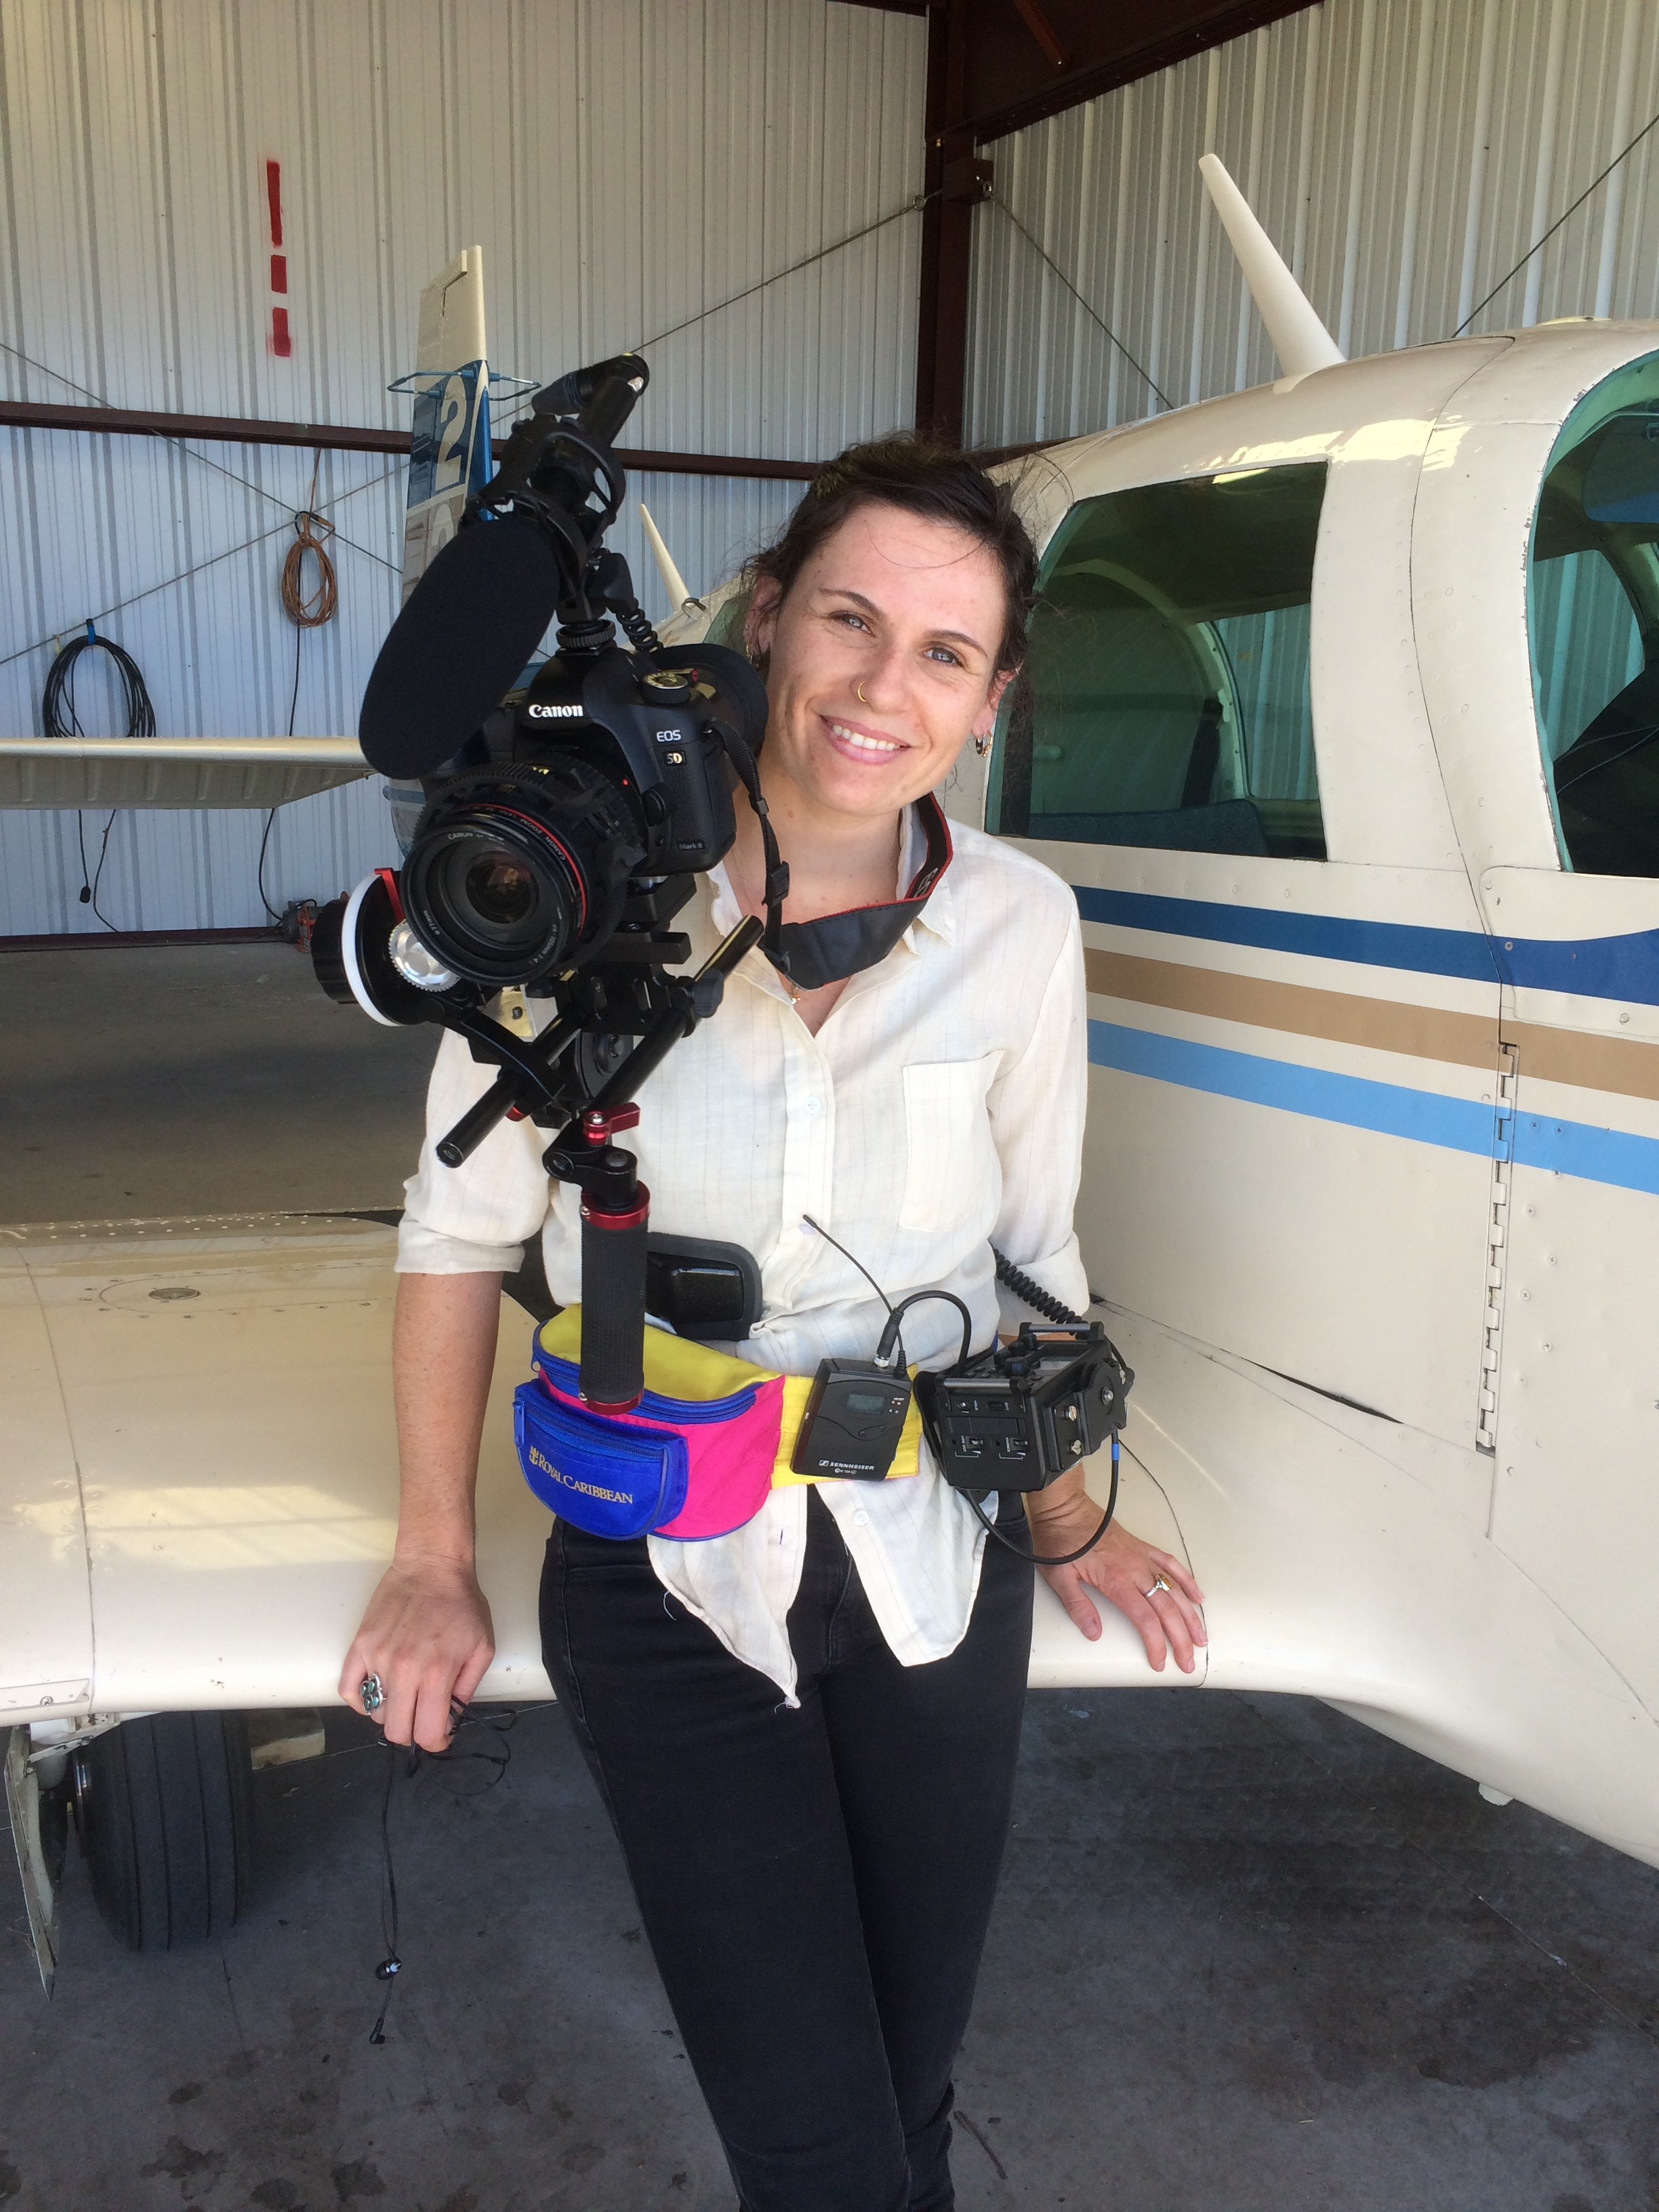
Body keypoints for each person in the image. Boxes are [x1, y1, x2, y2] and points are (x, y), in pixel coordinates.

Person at [341, 439, 1207, 2212]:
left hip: (933, 1558)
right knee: (820, 2149)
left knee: (904, 2087)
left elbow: (1034, 1260)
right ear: (762, 626)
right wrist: (432, 1555)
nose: (887, 687)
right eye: (852, 621)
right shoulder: (573, 900)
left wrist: (1066, 1516)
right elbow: (453, 1238)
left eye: (946, 655)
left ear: (992, 699)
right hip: (667, 1563)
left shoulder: (1023, 932)